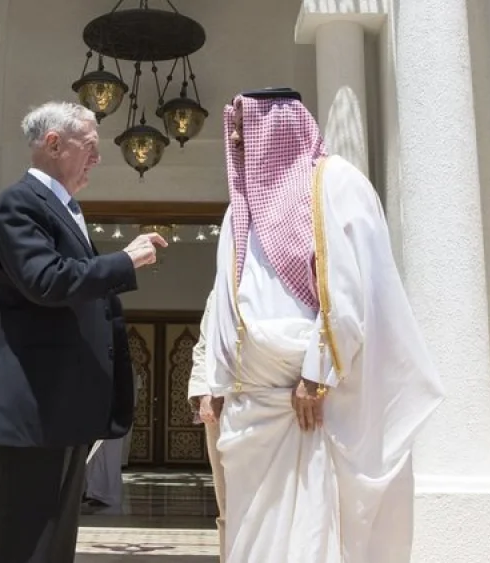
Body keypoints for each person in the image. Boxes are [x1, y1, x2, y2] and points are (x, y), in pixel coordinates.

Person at [203, 87, 445, 562]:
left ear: (273, 130)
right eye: (232, 137)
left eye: (242, 134)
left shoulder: (335, 185)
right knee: (255, 533)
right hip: (252, 407)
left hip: (312, 400)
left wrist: (318, 371)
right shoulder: (240, 211)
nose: (235, 144)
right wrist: (217, 376)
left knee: (314, 532)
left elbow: (354, 287)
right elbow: (225, 300)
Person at [0, 101, 167, 563]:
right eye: (90, 147)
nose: (97, 159)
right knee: (27, 541)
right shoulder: (19, 203)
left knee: (53, 542)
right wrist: (124, 261)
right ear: (54, 144)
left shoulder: (63, 209)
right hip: (33, 408)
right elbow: (47, 280)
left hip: (59, 408)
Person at [82, 295, 133, 515]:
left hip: (112, 414)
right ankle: (94, 493)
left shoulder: (117, 359)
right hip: (99, 414)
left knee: (107, 458)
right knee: (95, 458)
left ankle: (106, 495)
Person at [187, 290, 227, 562]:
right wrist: (203, 393)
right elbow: (204, 346)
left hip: (275, 404)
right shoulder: (221, 290)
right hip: (223, 407)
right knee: (227, 502)